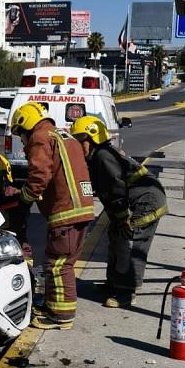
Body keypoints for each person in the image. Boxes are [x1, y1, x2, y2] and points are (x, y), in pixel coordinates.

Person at [10, 102, 94, 330]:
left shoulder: (40, 137)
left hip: (66, 210)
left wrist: (24, 200)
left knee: (59, 264)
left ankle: (61, 316)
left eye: (20, 136)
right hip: (81, 207)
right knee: (61, 261)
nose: (22, 141)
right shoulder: (63, 136)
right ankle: (53, 305)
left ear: (25, 125)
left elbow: (39, 176)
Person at [71, 115, 168, 308]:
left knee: (130, 245)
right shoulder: (98, 156)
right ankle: (113, 284)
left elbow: (115, 187)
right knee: (115, 238)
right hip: (133, 201)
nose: (77, 147)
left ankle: (126, 292)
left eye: (80, 141)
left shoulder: (103, 156)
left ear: (91, 139)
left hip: (144, 202)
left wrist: (123, 218)